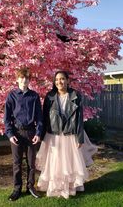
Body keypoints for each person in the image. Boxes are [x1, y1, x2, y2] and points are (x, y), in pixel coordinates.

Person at [36, 70, 89, 199]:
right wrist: (41, 136)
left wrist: (80, 137)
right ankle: (55, 187)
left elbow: (79, 118)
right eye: (57, 79)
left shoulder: (76, 96)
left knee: (69, 164)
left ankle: (70, 188)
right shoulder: (49, 97)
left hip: (69, 135)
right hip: (53, 135)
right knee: (55, 163)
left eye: (62, 79)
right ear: (54, 82)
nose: (59, 81)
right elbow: (44, 117)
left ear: (67, 80)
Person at [4, 67, 43, 201]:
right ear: (17, 79)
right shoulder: (12, 96)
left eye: (26, 78)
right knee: (17, 163)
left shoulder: (34, 96)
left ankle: (31, 187)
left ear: (29, 80)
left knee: (32, 163)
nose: (24, 80)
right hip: (16, 133)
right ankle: (17, 188)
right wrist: (10, 134)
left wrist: (38, 133)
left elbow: (39, 117)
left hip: (31, 132)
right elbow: (7, 118)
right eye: (21, 77)